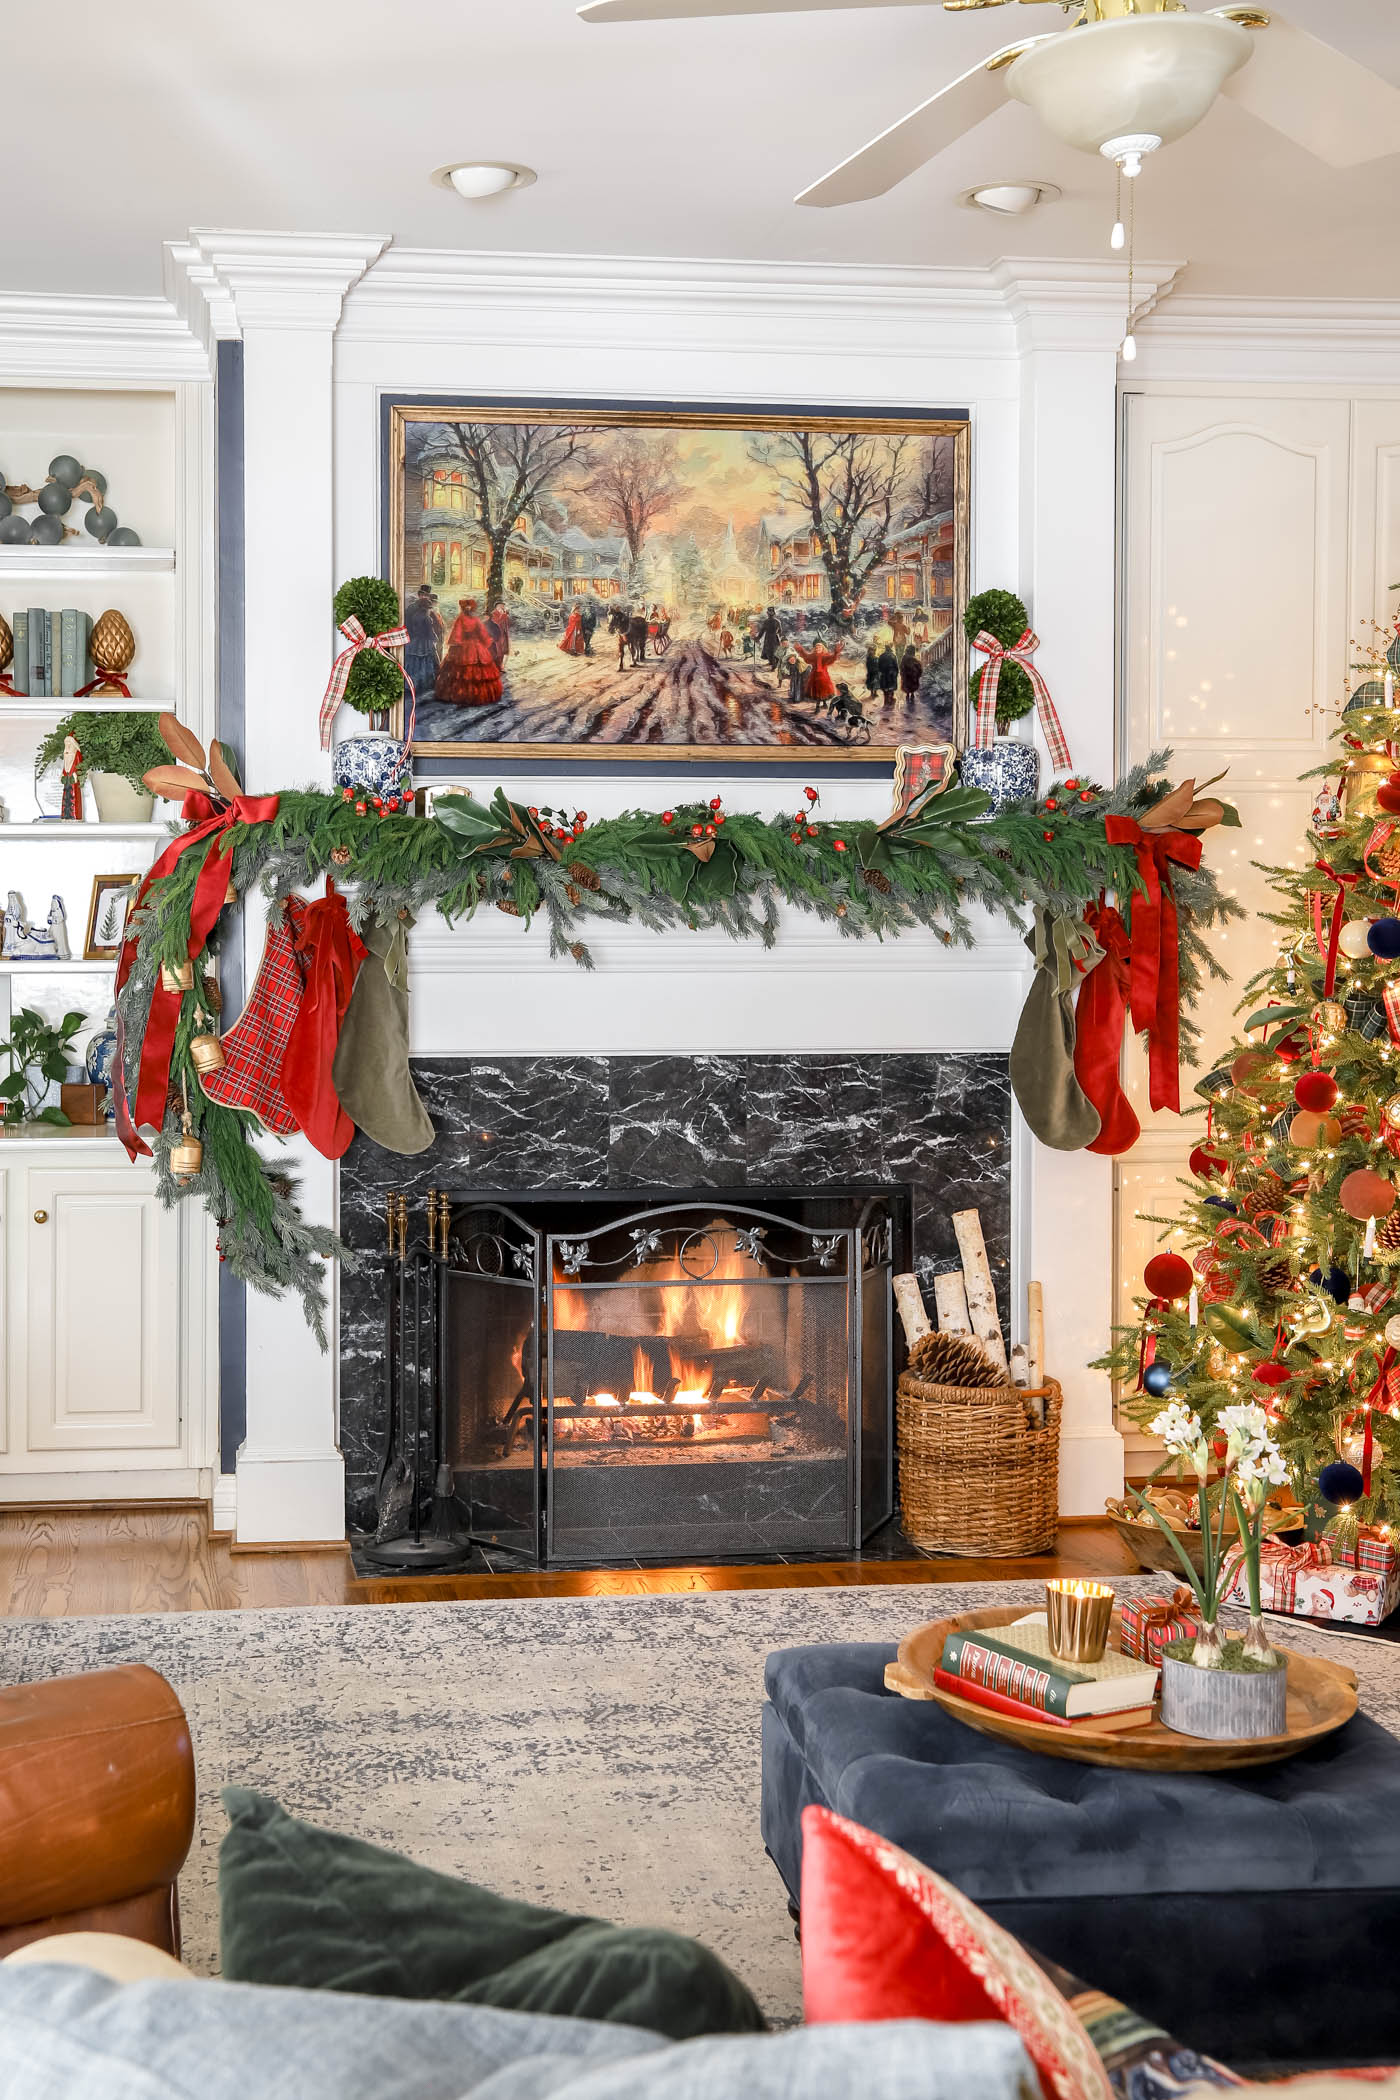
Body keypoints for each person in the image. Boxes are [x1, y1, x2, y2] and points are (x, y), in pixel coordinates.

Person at [435, 598, 502, 707]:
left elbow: (461, 635)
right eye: (467, 607)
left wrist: (458, 643)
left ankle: (469, 696)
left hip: (469, 647)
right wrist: (486, 642)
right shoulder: (467, 619)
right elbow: (478, 634)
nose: (469, 609)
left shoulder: (466, 619)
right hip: (470, 647)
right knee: (466, 671)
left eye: (469, 607)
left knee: (470, 671)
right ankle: (467, 696)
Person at [403, 584, 443, 701]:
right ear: (420, 595)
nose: (425, 597)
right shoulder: (412, 608)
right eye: (424, 595)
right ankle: (420, 684)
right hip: (415, 639)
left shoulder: (426, 610)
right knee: (419, 661)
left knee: (422, 661)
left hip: (420, 640)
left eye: (427, 596)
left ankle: (421, 684)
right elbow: (408, 624)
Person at [795, 638, 843, 706]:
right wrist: (801, 650)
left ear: (823, 648)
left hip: (824, 676)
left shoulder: (825, 656)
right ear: (815, 648)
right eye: (816, 648)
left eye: (819, 647)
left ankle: (824, 704)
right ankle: (818, 707)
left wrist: (836, 653)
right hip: (814, 676)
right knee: (817, 691)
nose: (818, 649)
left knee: (823, 690)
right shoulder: (813, 656)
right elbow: (806, 657)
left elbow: (832, 658)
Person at [756, 605, 782, 670]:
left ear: (767, 614)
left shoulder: (766, 622)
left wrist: (758, 638)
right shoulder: (777, 621)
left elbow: (762, 631)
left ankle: (773, 665)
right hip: (774, 638)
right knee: (774, 651)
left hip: (768, 638)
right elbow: (780, 631)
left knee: (770, 651)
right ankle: (772, 663)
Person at [487, 600, 511, 668]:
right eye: (501, 606)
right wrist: (503, 615)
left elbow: (508, 624)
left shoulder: (503, 613)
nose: (503, 607)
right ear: (497, 606)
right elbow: (497, 623)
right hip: (497, 635)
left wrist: (506, 615)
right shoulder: (494, 614)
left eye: (503, 606)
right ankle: (496, 666)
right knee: (498, 651)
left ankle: (500, 666)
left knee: (503, 651)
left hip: (504, 634)